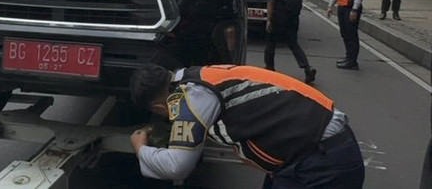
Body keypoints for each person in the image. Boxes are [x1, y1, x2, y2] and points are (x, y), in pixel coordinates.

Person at [129, 64, 365, 188]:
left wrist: (141, 148)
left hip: (323, 162)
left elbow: (176, 167)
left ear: (160, 106)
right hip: (317, 152)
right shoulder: (201, 76)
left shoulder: (189, 96)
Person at [265, 0, 316, 83]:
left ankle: (269, 68)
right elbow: (300, 0)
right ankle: (307, 67)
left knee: (271, 43)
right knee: (293, 44)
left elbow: (271, 2)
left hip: (278, 18)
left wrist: (269, 20)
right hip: (293, 18)